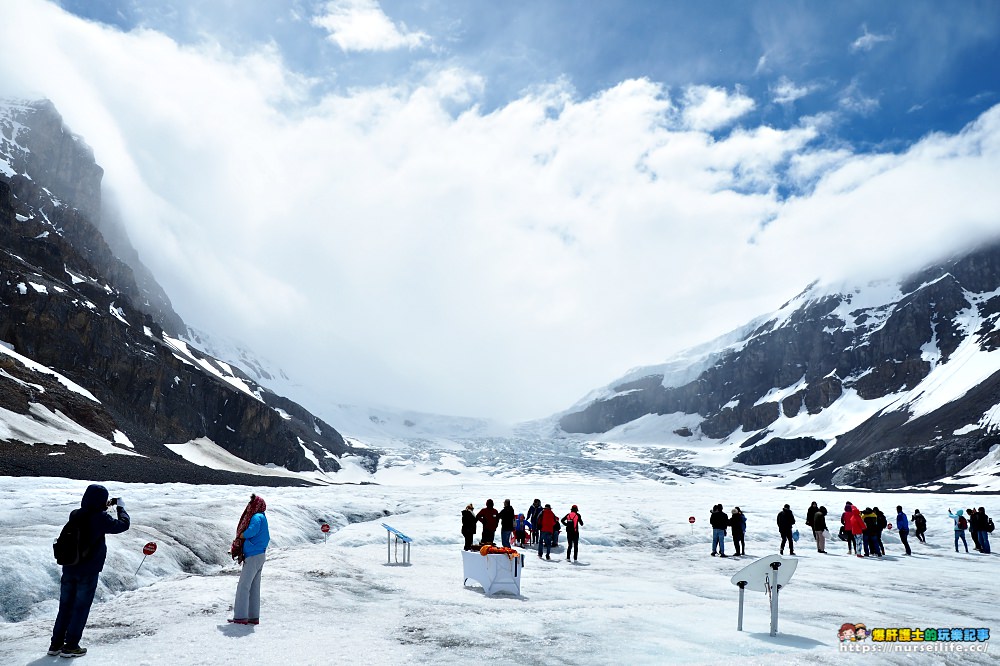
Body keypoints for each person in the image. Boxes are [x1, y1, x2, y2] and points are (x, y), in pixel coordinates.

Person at [49, 485, 130, 658]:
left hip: (70, 567)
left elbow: (91, 512)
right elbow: (123, 525)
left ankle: (55, 644)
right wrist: (121, 508)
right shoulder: (101, 518)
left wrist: (104, 505)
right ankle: (71, 646)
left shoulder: (75, 514)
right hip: (88, 570)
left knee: (65, 606)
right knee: (81, 607)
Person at [230, 494, 269, 625]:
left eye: (251, 503)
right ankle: (253, 616)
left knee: (244, 586)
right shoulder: (262, 517)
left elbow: (252, 530)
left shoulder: (256, 517)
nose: (249, 505)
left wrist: (242, 534)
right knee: (254, 587)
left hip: (252, 555)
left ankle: (240, 617)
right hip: (259, 554)